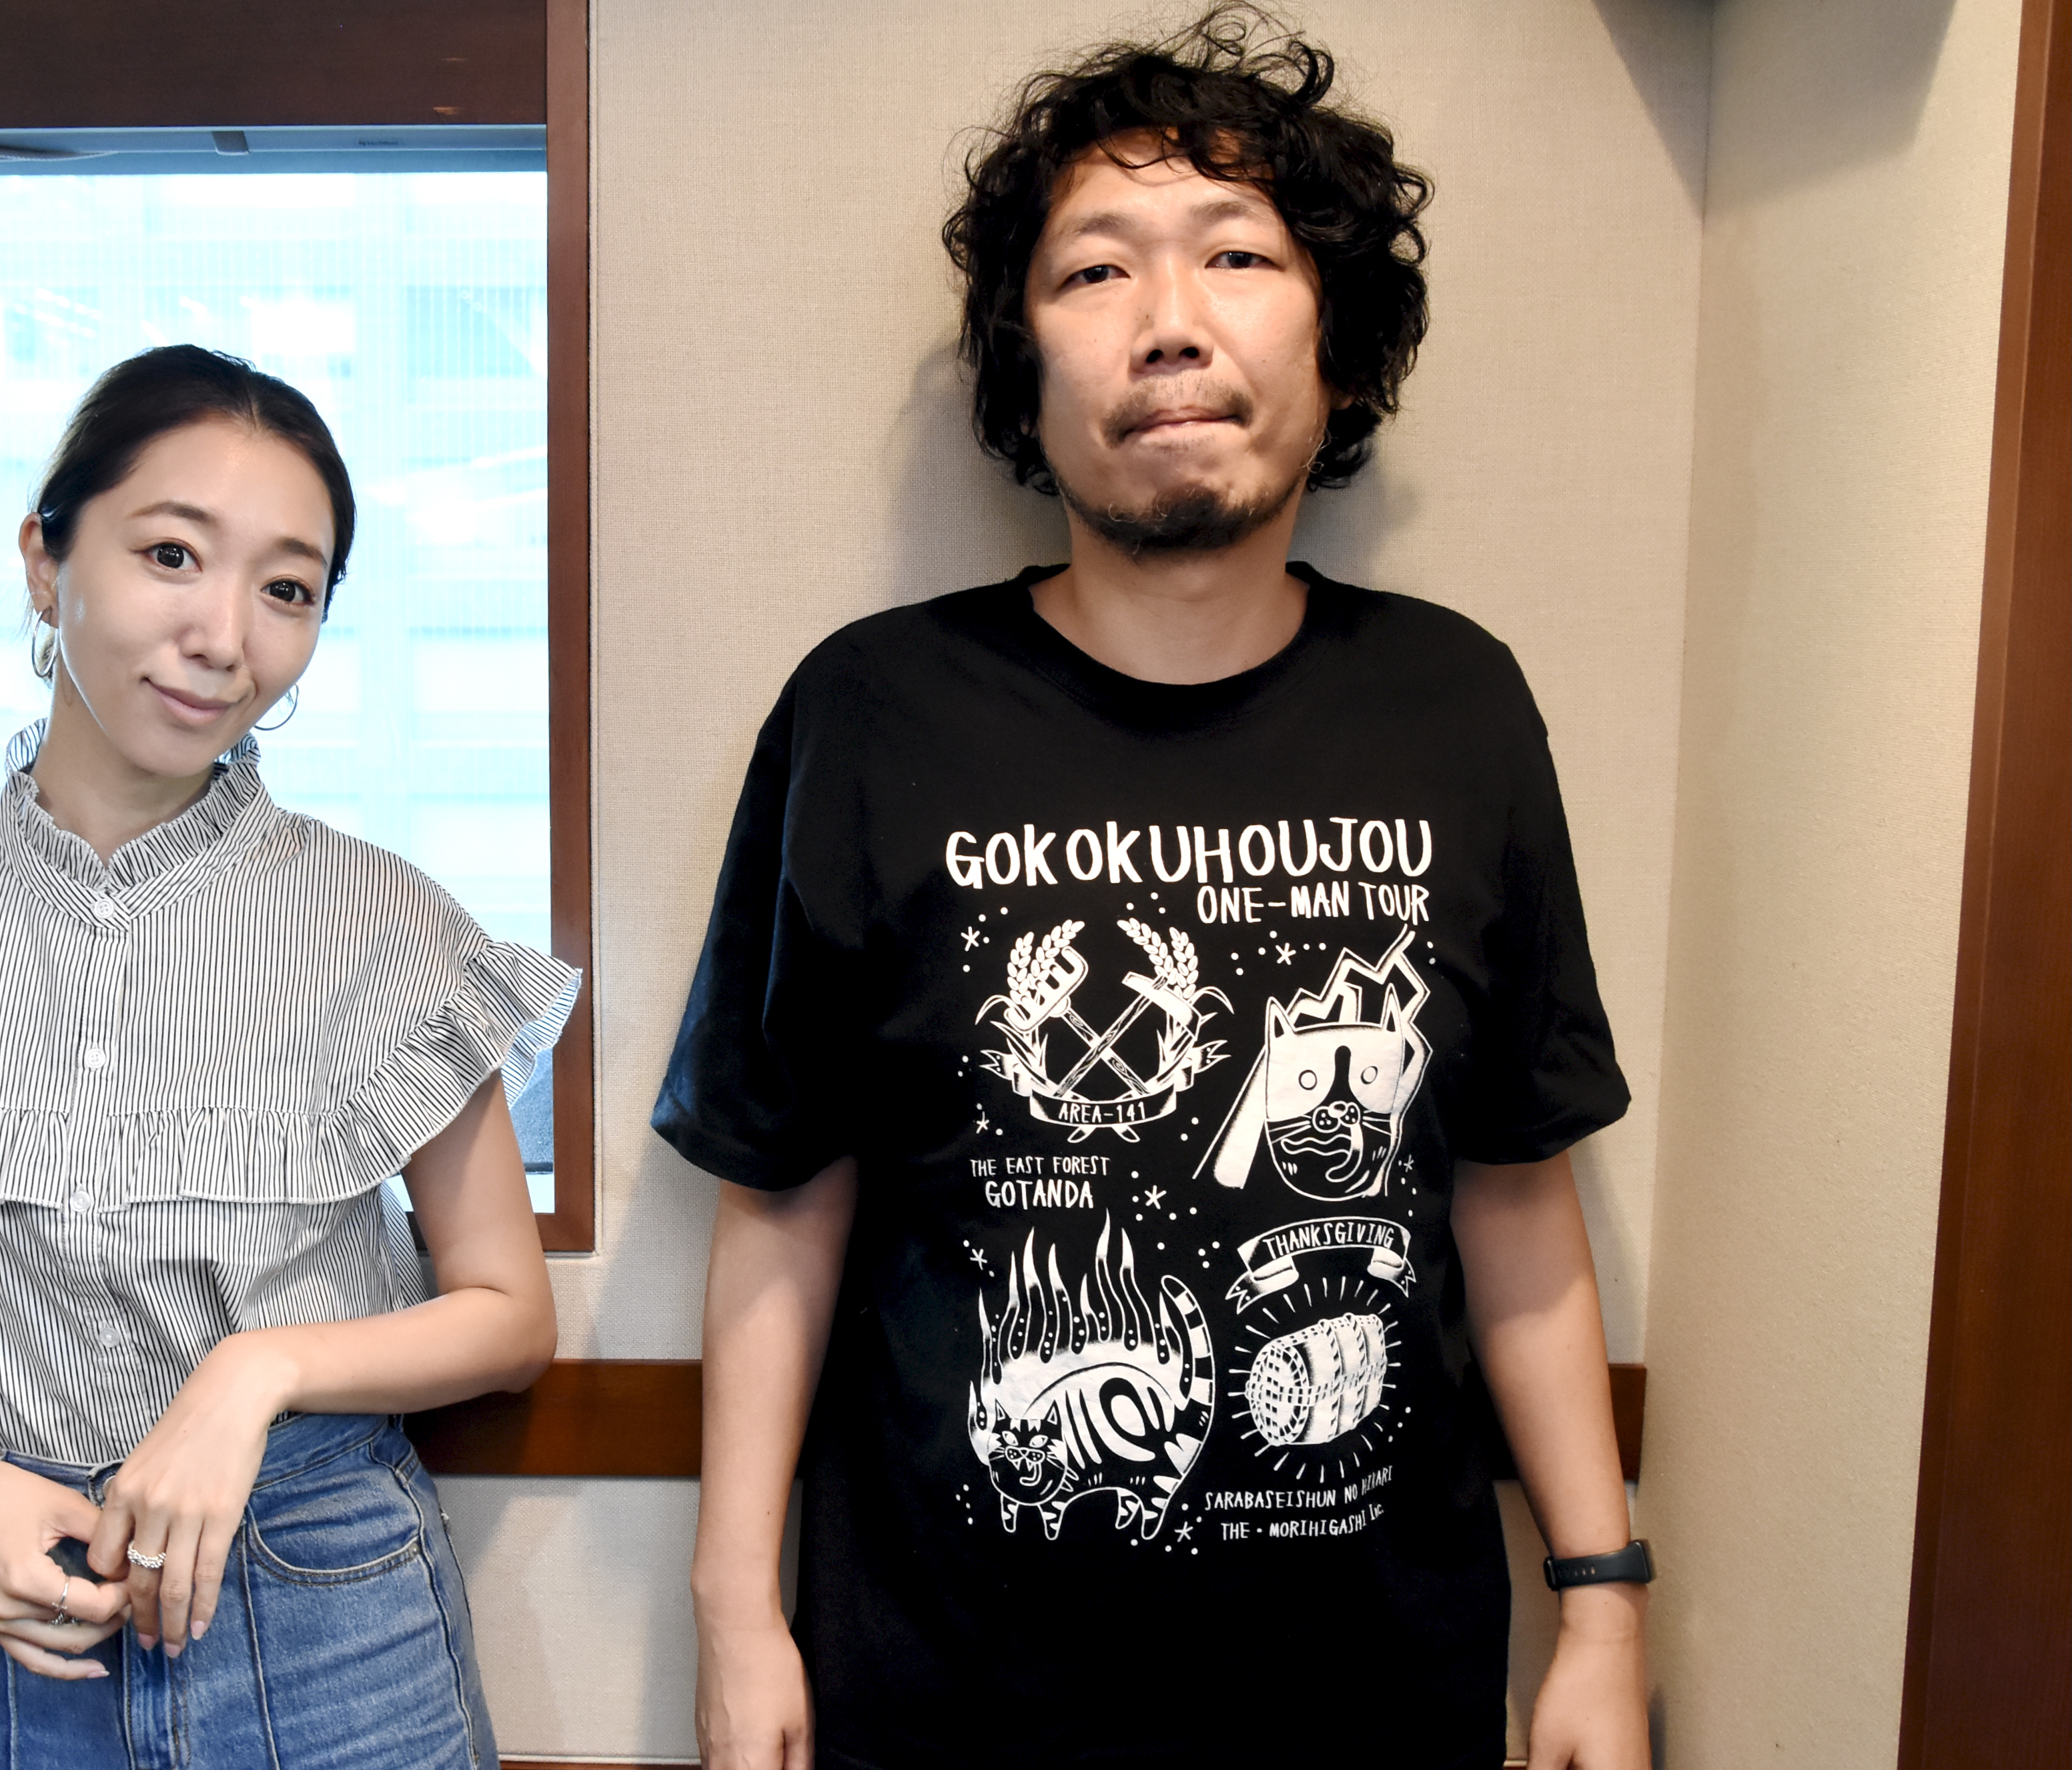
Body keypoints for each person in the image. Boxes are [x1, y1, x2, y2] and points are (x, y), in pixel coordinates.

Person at [655, 13, 1651, 1769]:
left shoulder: (1455, 704)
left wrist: (1600, 1603)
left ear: (1336, 350)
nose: (1168, 320)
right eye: (1093, 270)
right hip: (946, 1690)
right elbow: (782, 1191)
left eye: (1236, 257)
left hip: (1369, 1688)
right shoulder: (868, 711)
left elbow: (1512, 1182)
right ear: (1022, 372)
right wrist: (735, 1610)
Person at [0, 345, 574, 1768]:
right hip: (12, 1625)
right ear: (45, 559)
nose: (224, 634)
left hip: (330, 1613)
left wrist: (254, 1372)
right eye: (170, 554)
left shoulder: (385, 920)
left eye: (287, 589)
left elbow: (508, 1316)